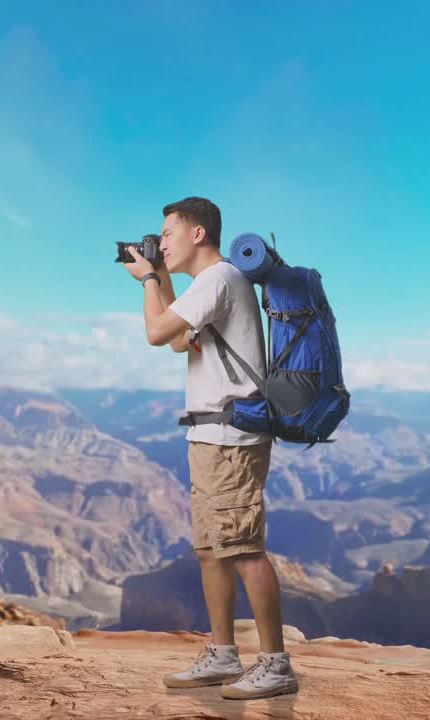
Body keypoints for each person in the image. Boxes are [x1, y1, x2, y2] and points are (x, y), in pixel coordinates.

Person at [121, 196, 298, 701]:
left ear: (198, 234)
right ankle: (223, 654)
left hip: (231, 438)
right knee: (210, 550)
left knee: (244, 549)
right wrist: (160, 276)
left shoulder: (221, 279)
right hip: (208, 434)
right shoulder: (207, 286)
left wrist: (149, 279)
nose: (162, 243)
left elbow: (157, 332)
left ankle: (276, 664)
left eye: (168, 235)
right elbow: (179, 340)